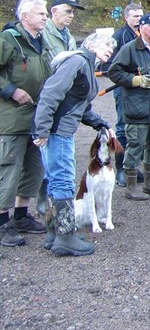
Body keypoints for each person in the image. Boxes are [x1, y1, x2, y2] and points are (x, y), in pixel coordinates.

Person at [32, 30, 116, 256]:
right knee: (62, 180)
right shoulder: (78, 61)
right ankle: (65, 236)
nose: (110, 48)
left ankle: (55, 232)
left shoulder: (85, 64)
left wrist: (100, 123)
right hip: (57, 131)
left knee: (55, 179)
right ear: (92, 43)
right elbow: (51, 93)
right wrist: (41, 128)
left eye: (112, 45)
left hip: (60, 129)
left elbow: (80, 106)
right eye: (107, 44)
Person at [0, 0, 53, 248]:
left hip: (36, 118)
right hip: (11, 118)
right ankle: (2, 223)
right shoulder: (10, 39)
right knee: (8, 168)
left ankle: (21, 216)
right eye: (40, 13)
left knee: (34, 169)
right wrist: (11, 90)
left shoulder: (41, 42)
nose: (44, 17)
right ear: (25, 17)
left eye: (45, 14)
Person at [108, 13, 150, 201]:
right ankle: (131, 187)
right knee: (135, 146)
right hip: (137, 108)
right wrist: (134, 80)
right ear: (141, 28)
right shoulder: (129, 49)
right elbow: (114, 72)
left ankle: (149, 183)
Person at [108, 3, 143, 186]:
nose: (138, 20)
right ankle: (120, 169)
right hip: (123, 89)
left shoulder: (145, 34)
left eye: (140, 16)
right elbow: (109, 67)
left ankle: (134, 166)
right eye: (135, 16)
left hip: (142, 91)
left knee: (139, 128)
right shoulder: (119, 36)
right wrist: (130, 78)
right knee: (122, 128)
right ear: (126, 18)